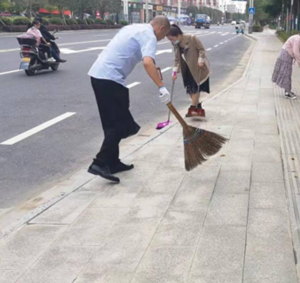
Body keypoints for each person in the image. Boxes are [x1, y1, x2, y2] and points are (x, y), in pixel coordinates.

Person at [87, 16, 172, 183]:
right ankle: (100, 163)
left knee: (111, 123)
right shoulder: (149, 35)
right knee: (120, 124)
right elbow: (147, 63)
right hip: (110, 79)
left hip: (99, 76)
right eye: (164, 36)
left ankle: (113, 162)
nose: (162, 39)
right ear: (161, 28)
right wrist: (161, 87)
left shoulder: (133, 28)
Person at [168, 24, 211, 118]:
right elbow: (177, 60)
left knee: (195, 88)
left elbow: (201, 50)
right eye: (170, 40)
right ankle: (198, 106)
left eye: (172, 39)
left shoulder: (192, 38)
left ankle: (193, 108)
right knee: (190, 90)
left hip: (197, 68)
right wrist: (174, 72)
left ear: (178, 35)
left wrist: (200, 60)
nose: (172, 41)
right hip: (187, 70)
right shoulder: (176, 45)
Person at [272, 26, 300, 99]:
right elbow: (296, 52)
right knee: (287, 74)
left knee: (287, 74)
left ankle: (288, 91)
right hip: (285, 55)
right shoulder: (298, 39)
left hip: (287, 55)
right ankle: (287, 93)